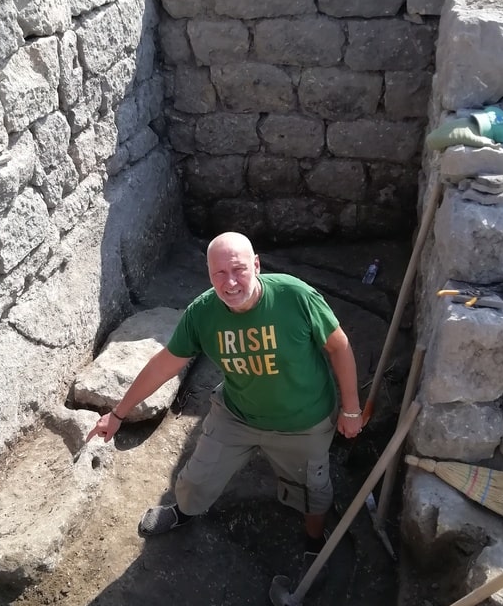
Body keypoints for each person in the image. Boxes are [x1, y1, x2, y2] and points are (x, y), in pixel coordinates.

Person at [87, 232, 362, 582]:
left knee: (312, 490)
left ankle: (313, 539)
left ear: (257, 266)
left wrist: (351, 410)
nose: (230, 282)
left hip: (303, 421)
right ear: (208, 274)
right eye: (220, 274)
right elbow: (165, 363)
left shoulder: (295, 297)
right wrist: (118, 413)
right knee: (196, 476)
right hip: (237, 414)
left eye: (239, 270)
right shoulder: (203, 314)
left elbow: (339, 347)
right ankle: (183, 512)